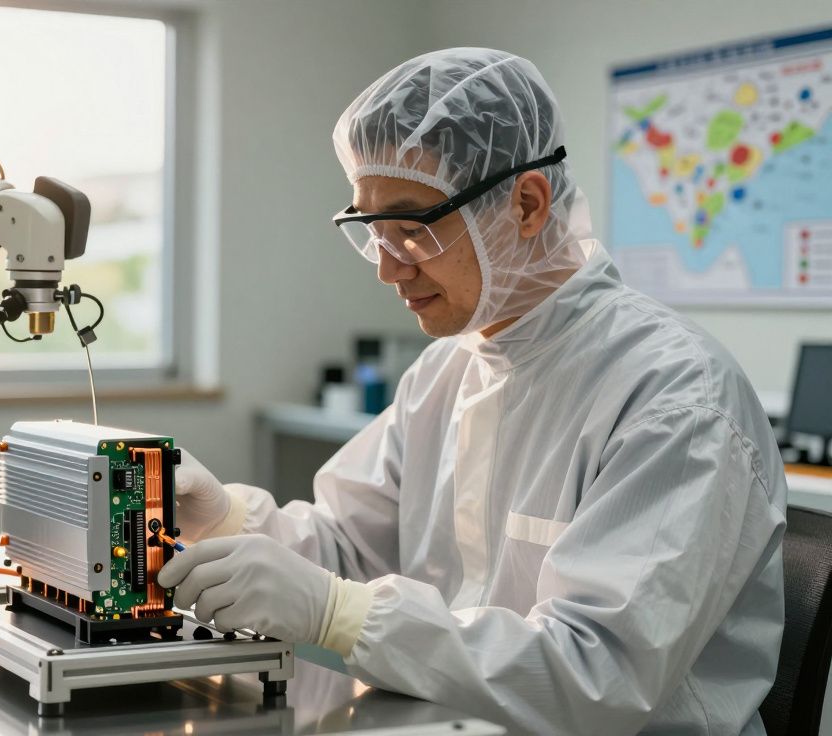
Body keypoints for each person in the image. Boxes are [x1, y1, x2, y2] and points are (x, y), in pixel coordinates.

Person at [157, 48, 786, 735]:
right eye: (372, 233)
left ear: (525, 204)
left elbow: (594, 677)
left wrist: (340, 616)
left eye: (412, 230)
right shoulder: (445, 373)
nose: (388, 270)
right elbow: (346, 551)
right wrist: (227, 522)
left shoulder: (674, 398)